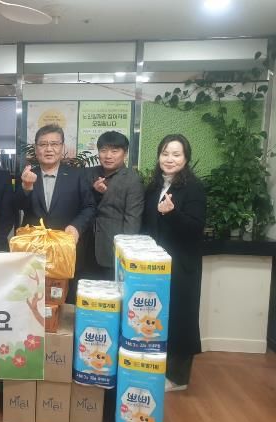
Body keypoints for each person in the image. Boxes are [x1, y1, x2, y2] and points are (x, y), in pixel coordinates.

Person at [142, 134, 206, 391]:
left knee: (180, 318)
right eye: (165, 153)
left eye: (176, 154)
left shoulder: (194, 188)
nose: (170, 159)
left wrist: (172, 213)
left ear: (186, 158)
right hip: (155, 265)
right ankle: (157, 369)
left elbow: (195, 227)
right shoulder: (154, 186)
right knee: (157, 317)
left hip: (181, 265)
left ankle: (178, 378)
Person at [15, 124, 96, 302]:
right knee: (32, 298)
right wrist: (26, 187)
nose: (49, 149)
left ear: (62, 147)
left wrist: (76, 227)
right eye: (43, 144)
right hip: (34, 250)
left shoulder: (77, 176)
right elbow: (17, 206)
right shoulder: (27, 174)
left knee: (64, 300)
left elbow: (89, 207)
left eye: (54, 144)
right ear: (36, 148)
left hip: (65, 251)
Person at [83, 131, 144, 280]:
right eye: (103, 150)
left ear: (125, 153)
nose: (108, 156)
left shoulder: (132, 180)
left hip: (111, 250)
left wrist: (125, 254)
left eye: (114, 151)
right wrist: (94, 192)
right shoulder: (87, 174)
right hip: (85, 248)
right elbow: (79, 205)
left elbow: (132, 221)